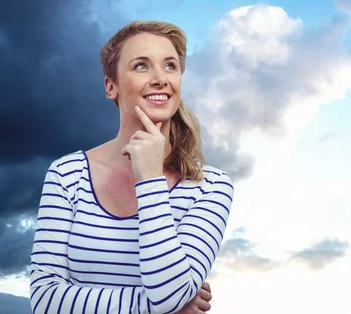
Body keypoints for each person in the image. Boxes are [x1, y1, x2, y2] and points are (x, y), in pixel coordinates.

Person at [29, 21, 234, 314]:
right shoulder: (66, 174)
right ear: (111, 86)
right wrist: (159, 307)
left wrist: (149, 180)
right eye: (141, 66)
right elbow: (46, 300)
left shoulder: (210, 186)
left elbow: (170, 292)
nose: (160, 78)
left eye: (170, 66)